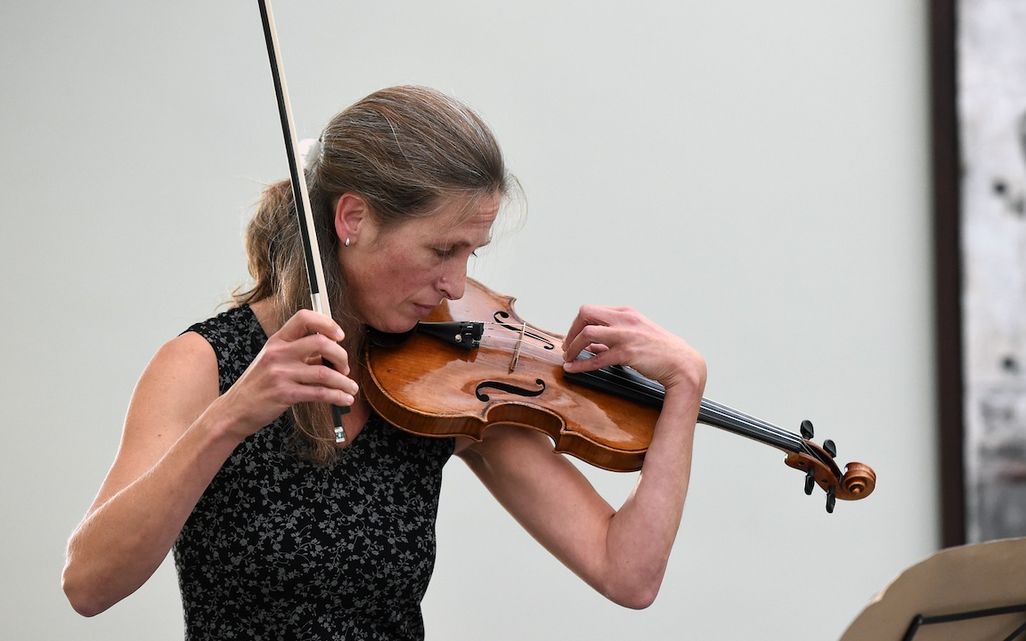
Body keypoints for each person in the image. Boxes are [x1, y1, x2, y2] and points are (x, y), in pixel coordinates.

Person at [61, 85, 706, 640]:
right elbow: (89, 584)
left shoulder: (442, 387)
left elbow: (628, 573)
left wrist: (684, 389)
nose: (456, 288)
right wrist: (227, 421)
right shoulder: (202, 364)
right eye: (440, 250)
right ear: (352, 219)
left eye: (470, 256)